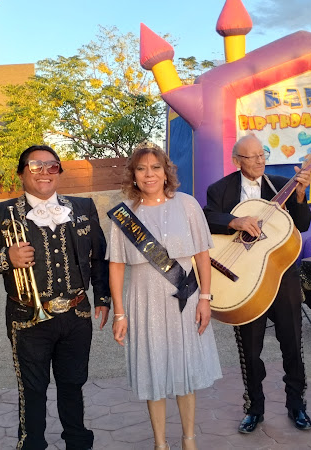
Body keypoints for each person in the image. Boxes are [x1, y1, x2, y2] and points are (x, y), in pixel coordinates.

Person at [0, 145, 110, 450]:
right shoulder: (0, 212)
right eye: (36, 167)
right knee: (32, 389)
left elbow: (100, 257)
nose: (45, 173)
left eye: (52, 166)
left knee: (73, 385)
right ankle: (32, 444)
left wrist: (103, 299)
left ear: (59, 172)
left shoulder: (83, 207)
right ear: (21, 174)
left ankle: (78, 443)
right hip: (27, 318)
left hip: (77, 314)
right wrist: (7, 257)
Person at [107, 144, 222, 450]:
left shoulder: (187, 205)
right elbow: (116, 267)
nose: (149, 174)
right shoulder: (125, 215)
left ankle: (188, 440)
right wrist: (119, 312)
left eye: (155, 167)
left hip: (184, 297)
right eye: (142, 168)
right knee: (152, 371)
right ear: (133, 175)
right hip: (143, 302)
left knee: (185, 370)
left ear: (166, 171)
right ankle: (160, 443)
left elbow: (202, 256)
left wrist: (205, 299)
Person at [203, 134, 311, 434]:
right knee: (250, 350)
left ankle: (296, 405)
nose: (260, 160)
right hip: (243, 280)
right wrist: (234, 222)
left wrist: (301, 196)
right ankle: (254, 407)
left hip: (282, 278)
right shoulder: (221, 189)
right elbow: (206, 219)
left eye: (262, 153)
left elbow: (302, 225)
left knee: (292, 344)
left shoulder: (282, 184)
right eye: (252, 156)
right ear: (237, 160)